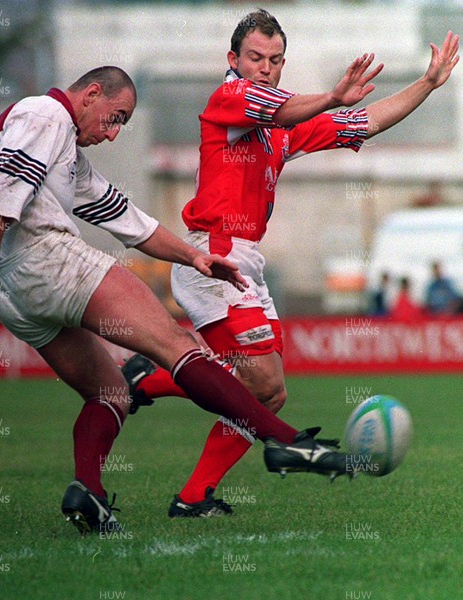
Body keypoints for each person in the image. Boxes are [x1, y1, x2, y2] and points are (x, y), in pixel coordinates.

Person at [0, 66, 354, 536]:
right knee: (178, 347)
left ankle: (90, 493)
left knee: (110, 392)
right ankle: (284, 442)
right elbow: (4, 188)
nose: (113, 133)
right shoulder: (46, 113)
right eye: (114, 117)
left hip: (13, 293)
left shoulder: (65, 153)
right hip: (43, 259)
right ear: (92, 93)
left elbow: (128, 220)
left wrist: (192, 256)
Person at [121, 10, 460, 518]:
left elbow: (362, 121)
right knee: (257, 380)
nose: (265, 67)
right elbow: (282, 109)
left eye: (275, 60)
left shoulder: (281, 125)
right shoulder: (230, 97)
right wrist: (329, 97)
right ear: (233, 61)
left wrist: (427, 85)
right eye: (255, 58)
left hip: (244, 262)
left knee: (268, 394)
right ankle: (150, 383)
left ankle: (190, 489)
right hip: (211, 257)